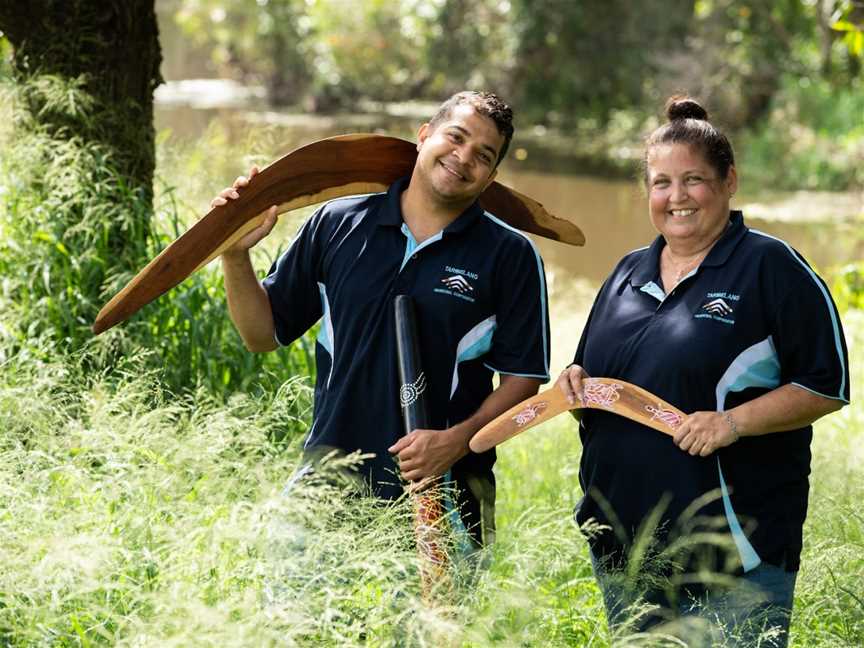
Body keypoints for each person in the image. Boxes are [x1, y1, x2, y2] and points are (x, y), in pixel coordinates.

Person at [556, 96, 849, 645]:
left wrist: (730, 423)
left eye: (693, 180)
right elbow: (597, 375)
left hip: (732, 552)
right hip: (625, 544)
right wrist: (574, 382)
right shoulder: (625, 272)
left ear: (729, 181)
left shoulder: (770, 266)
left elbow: (824, 385)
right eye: (660, 183)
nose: (676, 197)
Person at [212, 91, 550, 549]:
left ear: (491, 176)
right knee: (297, 620)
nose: (463, 158)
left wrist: (456, 441)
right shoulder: (337, 223)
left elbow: (524, 380)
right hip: (326, 481)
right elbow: (261, 334)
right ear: (424, 135)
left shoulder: (510, 256)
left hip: (445, 501)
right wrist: (234, 257)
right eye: (456, 137)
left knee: (427, 625)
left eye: (482, 156)